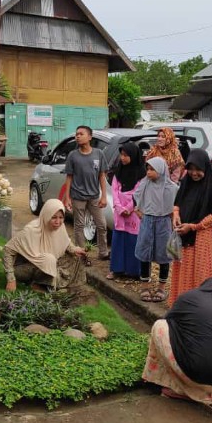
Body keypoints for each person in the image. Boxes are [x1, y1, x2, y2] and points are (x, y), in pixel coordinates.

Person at [142, 277, 212, 405]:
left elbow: (169, 320)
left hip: (199, 376)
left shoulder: (188, 297)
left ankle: (172, 385)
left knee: (160, 326)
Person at [169, 149, 212, 306]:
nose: (194, 173)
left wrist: (194, 226)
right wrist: (176, 215)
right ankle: (181, 304)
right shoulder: (187, 182)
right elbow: (177, 203)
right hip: (184, 234)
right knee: (182, 268)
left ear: (205, 167)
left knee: (199, 272)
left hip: (201, 235)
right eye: (191, 169)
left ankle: (199, 307)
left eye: (198, 169)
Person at [3, 199, 87, 292]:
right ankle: (39, 285)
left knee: (76, 257)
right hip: (22, 268)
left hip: (45, 263)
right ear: (46, 215)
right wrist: (11, 279)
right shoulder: (31, 230)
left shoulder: (60, 227)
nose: (58, 222)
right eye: (54, 217)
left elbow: (65, 241)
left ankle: (50, 283)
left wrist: (74, 249)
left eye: (61, 217)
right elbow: (8, 250)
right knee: (49, 259)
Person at [133, 157, 178, 302]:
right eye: (147, 169)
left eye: (152, 169)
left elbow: (176, 207)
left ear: (161, 170)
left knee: (165, 255)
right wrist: (140, 211)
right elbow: (137, 199)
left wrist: (173, 220)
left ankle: (161, 288)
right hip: (147, 221)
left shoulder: (171, 188)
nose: (148, 172)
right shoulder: (144, 184)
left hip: (164, 223)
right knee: (145, 253)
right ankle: (145, 287)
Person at [62, 125, 109, 260]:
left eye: (81, 134)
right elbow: (69, 177)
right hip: (78, 197)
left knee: (101, 225)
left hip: (94, 196)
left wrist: (104, 196)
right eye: (76, 134)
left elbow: (101, 176)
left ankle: (103, 252)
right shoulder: (73, 156)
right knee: (79, 226)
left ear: (89, 137)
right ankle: (81, 254)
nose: (77, 136)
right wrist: (67, 197)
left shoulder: (98, 154)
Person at [107, 142, 145, 280]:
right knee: (118, 240)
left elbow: (138, 192)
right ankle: (116, 269)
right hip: (119, 212)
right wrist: (118, 206)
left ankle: (134, 271)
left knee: (133, 240)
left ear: (133, 156)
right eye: (121, 155)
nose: (122, 158)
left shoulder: (141, 173)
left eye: (126, 155)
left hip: (133, 212)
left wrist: (129, 208)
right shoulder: (119, 171)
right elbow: (115, 189)